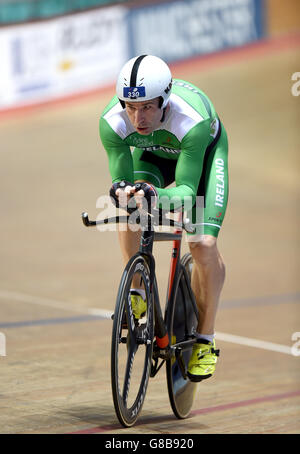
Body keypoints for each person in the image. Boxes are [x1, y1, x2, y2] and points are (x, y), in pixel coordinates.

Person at [99, 55, 228, 382]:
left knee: (202, 243)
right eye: (130, 106)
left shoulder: (192, 121)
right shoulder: (112, 122)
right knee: (131, 209)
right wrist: (124, 192)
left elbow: (186, 191)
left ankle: (205, 339)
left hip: (201, 156)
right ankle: (138, 292)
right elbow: (121, 180)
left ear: (165, 100)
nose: (137, 117)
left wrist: (156, 196)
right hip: (154, 154)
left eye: (146, 107)